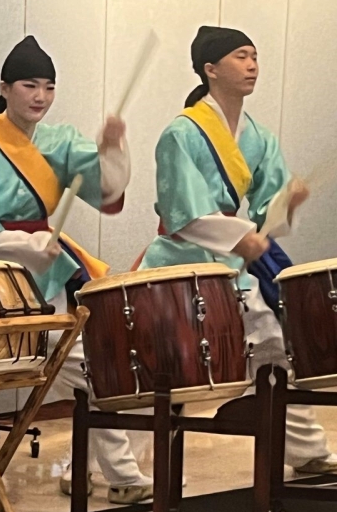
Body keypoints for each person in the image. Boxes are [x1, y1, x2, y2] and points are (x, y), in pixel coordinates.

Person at [0, 35, 152, 502]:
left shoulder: (60, 140)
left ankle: (101, 472)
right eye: (30, 85)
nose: (40, 97)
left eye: (48, 87)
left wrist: (113, 148)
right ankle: (117, 474)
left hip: (50, 272)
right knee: (89, 370)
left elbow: (106, 188)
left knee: (94, 367)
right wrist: (27, 246)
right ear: (5, 87)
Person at [137, 25, 336, 476]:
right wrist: (238, 236)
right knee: (159, 369)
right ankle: (117, 469)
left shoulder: (258, 137)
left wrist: (288, 204)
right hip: (179, 263)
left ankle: (305, 451)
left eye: (255, 56)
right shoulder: (180, 134)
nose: (251, 65)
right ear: (210, 69)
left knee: (274, 347)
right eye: (241, 57)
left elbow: (269, 220)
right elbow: (181, 212)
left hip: (233, 265)